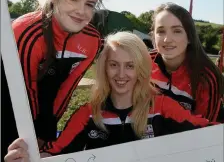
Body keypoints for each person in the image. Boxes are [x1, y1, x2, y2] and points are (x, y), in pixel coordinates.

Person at [5, 31, 218, 161]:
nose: (121, 74)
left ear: (141, 70)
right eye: (114, 65)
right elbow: (55, 152)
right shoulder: (88, 113)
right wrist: (28, 157)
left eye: (130, 66)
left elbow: (206, 130)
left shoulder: (163, 107)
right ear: (104, 68)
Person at [2, 0, 104, 156]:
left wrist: (46, 129)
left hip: (45, 101)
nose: (81, 10)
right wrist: (32, 135)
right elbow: (25, 90)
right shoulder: (26, 30)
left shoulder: (92, 40)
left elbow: (67, 89)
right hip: (9, 97)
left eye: (89, 4)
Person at [149, 2, 224, 123]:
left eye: (177, 31)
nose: (167, 39)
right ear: (153, 36)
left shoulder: (206, 78)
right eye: (161, 31)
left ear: (189, 37)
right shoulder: (142, 62)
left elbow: (205, 130)